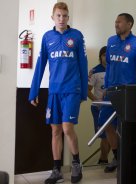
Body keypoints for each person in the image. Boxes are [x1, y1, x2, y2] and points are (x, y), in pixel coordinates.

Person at [28, 2, 88, 184]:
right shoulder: (47, 38)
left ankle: (76, 163)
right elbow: (40, 65)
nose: (62, 19)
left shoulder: (77, 36)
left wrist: (83, 93)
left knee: (67, 128)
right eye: (58, 16)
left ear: (68, 17)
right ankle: (57, 170)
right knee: (55, 130)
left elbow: (83, 65)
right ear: (53, 17)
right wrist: (34, 91)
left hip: (72, 90)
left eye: (65, 15)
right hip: (54, 90)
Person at [99, 13, 136, 173]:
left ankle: (127, 160)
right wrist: (105, 87)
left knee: (126, 127)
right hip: (111, 90)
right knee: (106, 124)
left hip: (128, 92)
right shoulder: (111, 41)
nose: (116, 24)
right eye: (115, 21)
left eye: (119, 22)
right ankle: (117, 156)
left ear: (129, 24)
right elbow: (109, 66)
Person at [87, 46, 110, 164]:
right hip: (98, 109)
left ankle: (102, 160)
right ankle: (104, 160)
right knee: (104, 136)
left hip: (112, 108)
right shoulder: (94, 71)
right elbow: (87, 90)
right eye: (104, 55)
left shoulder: (115, 69)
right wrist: (97, 101)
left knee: (112, 136)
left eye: (108, 55)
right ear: (100, 57)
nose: (106, 57)